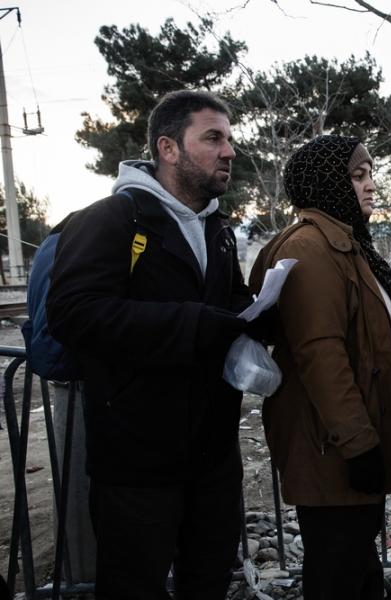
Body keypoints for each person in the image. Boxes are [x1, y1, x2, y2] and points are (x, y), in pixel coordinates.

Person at [46, 90, 254, 599]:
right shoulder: (111, 219)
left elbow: (228, 306)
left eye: (229, 138)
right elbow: (73, 313)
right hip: (137, 463)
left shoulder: (217, 229)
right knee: (134, 589)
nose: (229, 151)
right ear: (167, 148)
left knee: (207, 583)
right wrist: (193, 324)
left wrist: (261, 315)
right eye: (213, 138)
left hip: (212, 456)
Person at [249, 135, 391, 599]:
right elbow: (321, 355)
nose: (370, 186)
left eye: (369, 175)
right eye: (357, 176)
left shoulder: (343, 242)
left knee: (354, 552)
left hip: (344, 436)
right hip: (332, 444)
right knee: (336, 562)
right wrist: (360, 445)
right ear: (327, 184)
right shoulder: (312, 250)